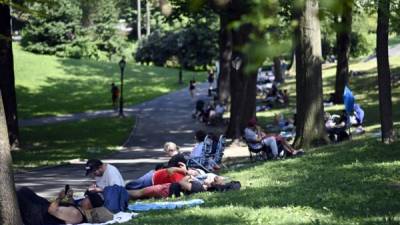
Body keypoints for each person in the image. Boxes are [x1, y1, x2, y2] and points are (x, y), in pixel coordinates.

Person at [17, 187, 112, 225]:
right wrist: (69, 197)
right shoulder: (79, 209)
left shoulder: (76, 215)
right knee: (24, 191)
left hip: (38, 216)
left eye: (87, 198)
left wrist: (59, 198)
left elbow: (52, 210)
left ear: (89, 204)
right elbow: (70, 206)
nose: (84, 198)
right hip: (41, 209)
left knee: (20, 195)